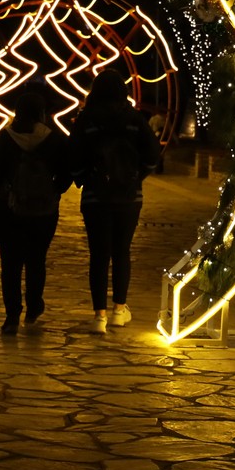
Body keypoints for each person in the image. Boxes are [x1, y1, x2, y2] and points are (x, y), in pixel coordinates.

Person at [69, 70, 162, 333]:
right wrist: (137, 176)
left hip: (95, 197)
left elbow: (73, 155)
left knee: (98, 255)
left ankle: (99, 315)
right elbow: (153, 153)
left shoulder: (86, 119)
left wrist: (83, 178)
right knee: (122, 251)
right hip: (129, 197)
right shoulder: (134, 119)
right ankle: (119, 310)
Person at [0, 89, 70, 334]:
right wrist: (54, 191)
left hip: (9, 210)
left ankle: (12, 315)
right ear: (42, 113)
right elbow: (66, 173)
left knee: (10, 262)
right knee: (36, 260)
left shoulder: (5, 137)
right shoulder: (54, 139)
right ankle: (33, 307)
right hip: (44, 211)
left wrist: (4, 189)